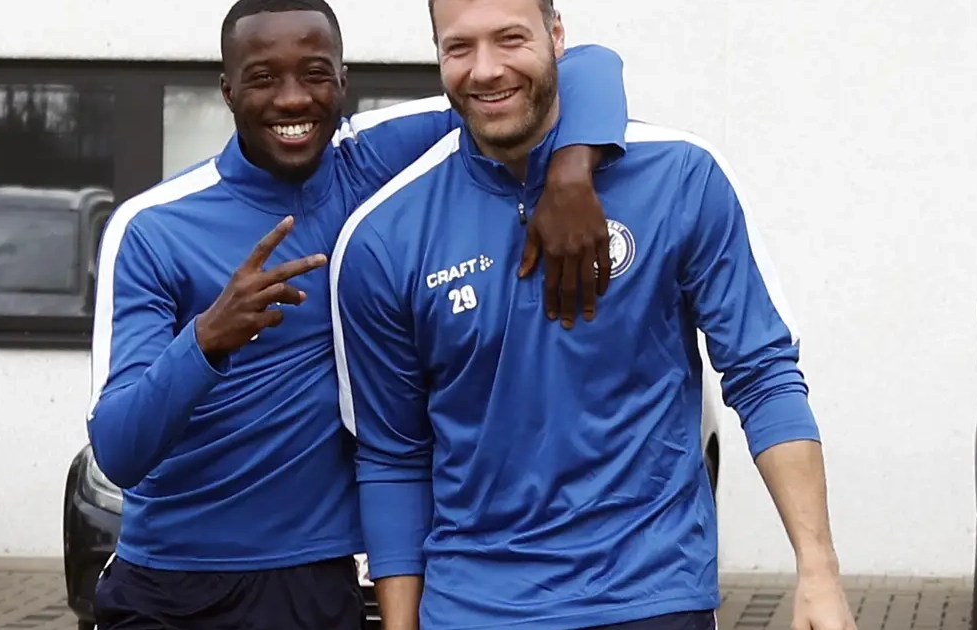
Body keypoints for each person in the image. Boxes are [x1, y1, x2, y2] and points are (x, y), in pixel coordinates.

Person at [84, 0, 632, 627]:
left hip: (316, 583)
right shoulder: (153, 227)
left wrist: (570, 172)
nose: (293, 98)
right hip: (167, 586)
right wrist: (207, 338)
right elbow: (117, 451)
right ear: (228, 90)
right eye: (263, 78)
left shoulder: (370, 164)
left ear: (343, 82)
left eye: (315, 74)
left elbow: (583, 67)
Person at [329, 0, 857, 629]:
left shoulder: (682, 176)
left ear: (557, 36)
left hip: (653, 596)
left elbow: (762, 373)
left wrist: (818, 569)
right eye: (459, 47)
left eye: (510, 38)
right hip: (476, 607)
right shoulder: (383, 236)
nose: (486, 69)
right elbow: (393, 458)